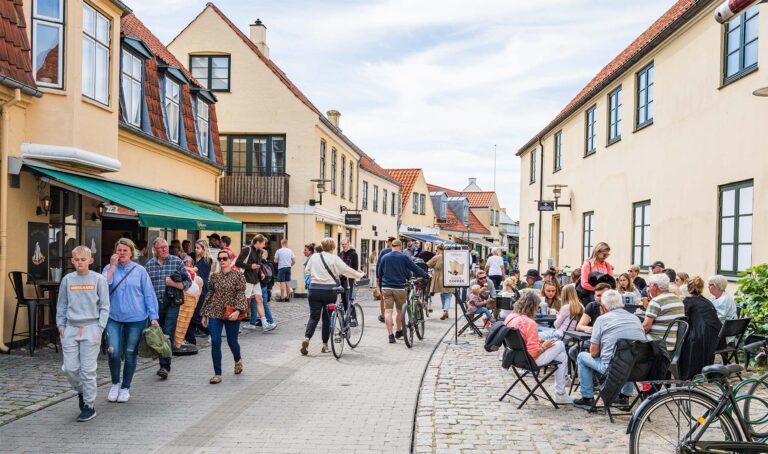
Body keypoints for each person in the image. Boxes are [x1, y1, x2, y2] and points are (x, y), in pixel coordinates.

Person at [57, 245, 110, 422]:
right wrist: (61, 327)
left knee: (88, 370)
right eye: (76, 260)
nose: (79, 263)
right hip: (71, 328)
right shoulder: (67, 279)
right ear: (72, 261)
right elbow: (62, 305)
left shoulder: (98, 279)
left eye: (83, 259)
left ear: (90, 260)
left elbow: (104, 306)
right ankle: (81, 391)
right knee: (70, 368)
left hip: (91, 328)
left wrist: (99, 328)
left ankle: (88, 405)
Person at [103, 238, 159, 402]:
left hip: (137, 317)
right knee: (113, 351)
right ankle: (115, 384)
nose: (121, 253)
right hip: (114, 316)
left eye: (125, 250)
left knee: (130, 352)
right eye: (119, 250)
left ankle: (125, 387)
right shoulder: (108, 268)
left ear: (131, 252)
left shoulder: (140, 270)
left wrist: (153, 316)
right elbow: (104, 287)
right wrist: (112, 266)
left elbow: (148, 293)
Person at [572, 290, 646, 409]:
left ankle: (587, 398)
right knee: (629, 357)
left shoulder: (601, 320)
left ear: (603, 307)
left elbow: (594, 353)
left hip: (612, 368)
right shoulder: (635, 318)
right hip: (636, 368)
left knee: (581, 356)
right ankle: (624, 396)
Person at [504, 292, 572, 404]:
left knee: (562, 356)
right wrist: (544, 347)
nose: (538, 309)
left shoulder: (511, 317)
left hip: (514, 357)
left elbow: (521, 339)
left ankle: (561, 390)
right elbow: (533, 353)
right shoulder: (529, 323)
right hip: (529, 360)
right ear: (532, 306)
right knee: (560, 344)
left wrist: (538, 340)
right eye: (537, 306)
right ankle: (561, 390)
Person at [302, 237, 364, 354]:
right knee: (326, 319)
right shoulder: (335, 259)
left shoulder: (314, 257)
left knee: (314, 317)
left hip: (314, 290)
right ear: (333, 247)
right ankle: (325, 345)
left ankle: (307, 338)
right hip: (329, 292)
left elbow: (307, 271)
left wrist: (316, 275)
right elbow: (346, 270)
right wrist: (359, 275)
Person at [145, 238, 191, 379]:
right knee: (157, 333)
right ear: (155, 250)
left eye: (165, 247)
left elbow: (188, 282)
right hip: (155, 304)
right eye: (161, 248)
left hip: (172, 302)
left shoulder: (176, 262)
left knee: (168, 332)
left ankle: (164, 366)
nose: (164, 249)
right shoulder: (149, 265)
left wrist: (173, 284)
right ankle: (160, 356)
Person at [200, 249, 247, 384]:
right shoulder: (214, 276)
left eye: (224, 258)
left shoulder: (239, 276)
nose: (222, 261)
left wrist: (238, 311)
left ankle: (237, 360)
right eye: (219, 259)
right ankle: (217, 374)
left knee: (232, 342)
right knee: (215, 341)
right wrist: (204, 314)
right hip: (215, 312)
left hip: (231, 312)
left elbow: (241, 294)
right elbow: (209, 295)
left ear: (230, 259)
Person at [378, 239, 429, 343]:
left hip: (386, 288)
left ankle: (390, 336)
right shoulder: (404, 257)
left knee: (388, 311)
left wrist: (382, 285)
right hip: (399, 288)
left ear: (391, 246)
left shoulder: (384, 257)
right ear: (400, 247)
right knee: (400, 311)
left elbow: (380, 273)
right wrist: (426, 275)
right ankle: (398, 331)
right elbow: (415, 268)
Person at [680, 276, 722, 380]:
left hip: (700, 334)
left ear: (688, 288)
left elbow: (682, 320)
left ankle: (687, 373)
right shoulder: (706, 301)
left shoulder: (688, 302)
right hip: (715, 334)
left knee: (682, 340)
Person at [236, 235, 276, 332]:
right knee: (244, 301)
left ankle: (265, 323)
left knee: (259, 299)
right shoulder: (246, 249)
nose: (264, 245)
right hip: (246, 279)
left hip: (256, 280)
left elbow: (258, 265)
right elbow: (238, 263)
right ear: (257, 242)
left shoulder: (260, 252)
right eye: (263, 243)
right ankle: (235, 324)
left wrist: (261, 273)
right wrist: (250, 266)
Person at [643, 273, 685, 352]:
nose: (648, 288)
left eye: (649, 285)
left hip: (656, 345)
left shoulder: (656, 301)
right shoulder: (678, 300)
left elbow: (646, 327)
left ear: (655, 286)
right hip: (672, 344)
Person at [186, 240, 213, 344]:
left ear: (203, 249)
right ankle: (191, 340)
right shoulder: (202, 259)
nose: (196, 250)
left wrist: (181, 266)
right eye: (195, 247)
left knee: (196, 316)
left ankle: (212, 333)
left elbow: (194, 270)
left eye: (198, 248)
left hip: (202, 289)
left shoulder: (206, 260)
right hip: (198, 287)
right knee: (192, 315)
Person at [427, 244, 452, 320]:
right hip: (449, 277)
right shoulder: (450, 256)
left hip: (439, 278)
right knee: (448, 295)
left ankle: (445, 310)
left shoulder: (437, 257)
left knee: (443, 294)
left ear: (438, 249)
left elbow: (428, 264)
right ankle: (445, 310)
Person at [375, 236, 396, 323]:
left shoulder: (384, 251)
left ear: (390, 243)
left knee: (383, 298)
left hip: (384, 278)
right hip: (395, 278)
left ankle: (383, 316)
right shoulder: (399, 252)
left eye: (387, 242)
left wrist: (377, 276)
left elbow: (379, 264)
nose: (386, 243)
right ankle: (391, 316)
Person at [338, 238, 359, 312]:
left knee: (349, 300)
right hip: (341, 280)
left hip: (349, 280)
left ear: (348, 244)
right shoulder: (340, 254)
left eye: (345, 244)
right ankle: (346, 317)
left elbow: (355, 268)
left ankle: (353, 318)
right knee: (343, 299)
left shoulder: (353, 254)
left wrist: (351, 277)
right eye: (342, 244)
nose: (343, 246)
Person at [258, 248, 276, 327]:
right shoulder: (270, 264)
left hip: (262, 285)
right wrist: (270, 286)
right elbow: (272, 277)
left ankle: (268, 320)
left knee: (262, 304)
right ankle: (266, 319)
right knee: (264, 303)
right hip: (267, 286)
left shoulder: (260, 263)